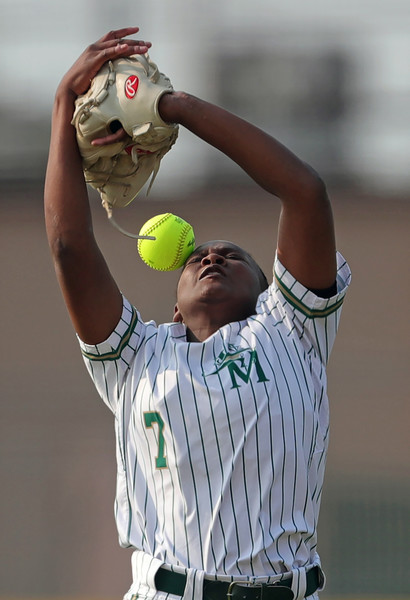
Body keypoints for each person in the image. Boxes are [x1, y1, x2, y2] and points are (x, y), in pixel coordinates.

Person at [44, 27, 351, 600]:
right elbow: (69, 245)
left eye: (232, 256)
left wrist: (172, 107)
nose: (210, 255)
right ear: (175, 307)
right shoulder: (136, 355)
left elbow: (303, 190)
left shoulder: (292, 331)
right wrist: (64, 107)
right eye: (199, 258)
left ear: (270, 290)